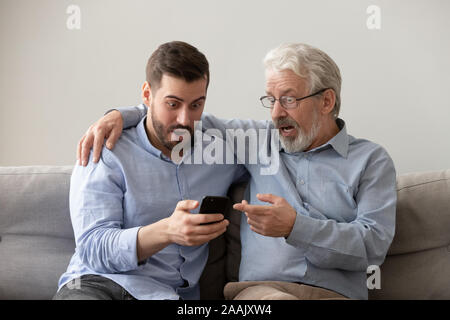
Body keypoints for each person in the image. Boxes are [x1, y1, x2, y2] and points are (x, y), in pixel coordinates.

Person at [77, 43, 397, 300]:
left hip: (337, 294)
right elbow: (182, 117)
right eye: (270, 100)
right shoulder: (256, 140)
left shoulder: (371, 160)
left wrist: (297, 227)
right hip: (262, 294)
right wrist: (120, 114)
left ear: (326, 101)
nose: (275, 113)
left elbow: (373, 248)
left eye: (287, 100)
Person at [53, 41, 248, 300]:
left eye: (196, 105)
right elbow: (92, 249)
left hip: (167, 295)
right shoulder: (108, 149)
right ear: (147, 95)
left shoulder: (219, 150)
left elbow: (278, 138)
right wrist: (167, 231)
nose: (184, 120)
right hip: (97, 286)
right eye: (172, 104)